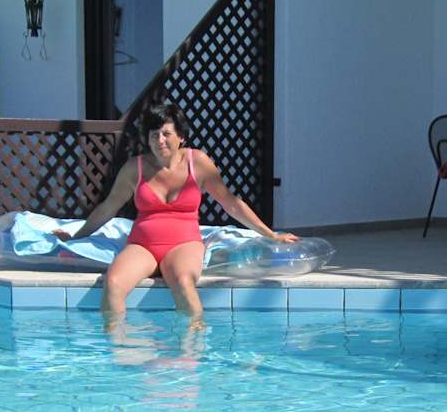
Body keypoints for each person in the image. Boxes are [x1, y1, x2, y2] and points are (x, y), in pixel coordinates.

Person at [54, 103, 297, 321]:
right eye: (153, 135)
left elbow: (231, 203)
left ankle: (193, 349)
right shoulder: (135, 168)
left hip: (184, 245)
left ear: (181, 136)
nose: (159, 140)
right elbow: (108, 207)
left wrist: (271, 235)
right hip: (142, 246)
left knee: (183, 282)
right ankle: (119, 349)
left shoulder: (197, 162)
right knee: (114, 283)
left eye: (166, 134)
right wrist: (77, 236)